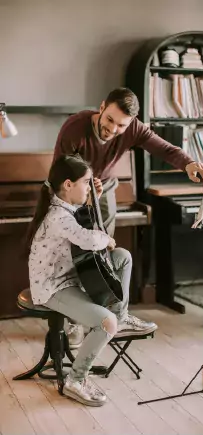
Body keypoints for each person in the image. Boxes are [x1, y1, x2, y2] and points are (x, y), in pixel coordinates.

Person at [53, 87, 203, 347]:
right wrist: (80, 195)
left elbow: (165, 149)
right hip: (70, 188)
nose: (113, 129)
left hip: (103, 189)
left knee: (101, 258)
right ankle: (74, 323)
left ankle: (104, 318)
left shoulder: (133, 128)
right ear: (102, 107)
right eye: (110, 120)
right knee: (73, 257)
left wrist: (188, 163)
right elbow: (60, 176)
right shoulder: (75, 128)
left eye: (121, 126)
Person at [27, 154, 157, 406]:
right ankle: (76, 379)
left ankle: (121, 315)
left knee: (122, 257)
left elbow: (86, 222)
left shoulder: (69, 207)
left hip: (70, 276)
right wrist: (105, 239)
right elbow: (88, 239)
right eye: (85, 182)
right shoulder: (59, 216)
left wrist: (92, 194)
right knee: (105, 323)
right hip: (53, 287)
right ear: (67, 184)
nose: (88, 186)